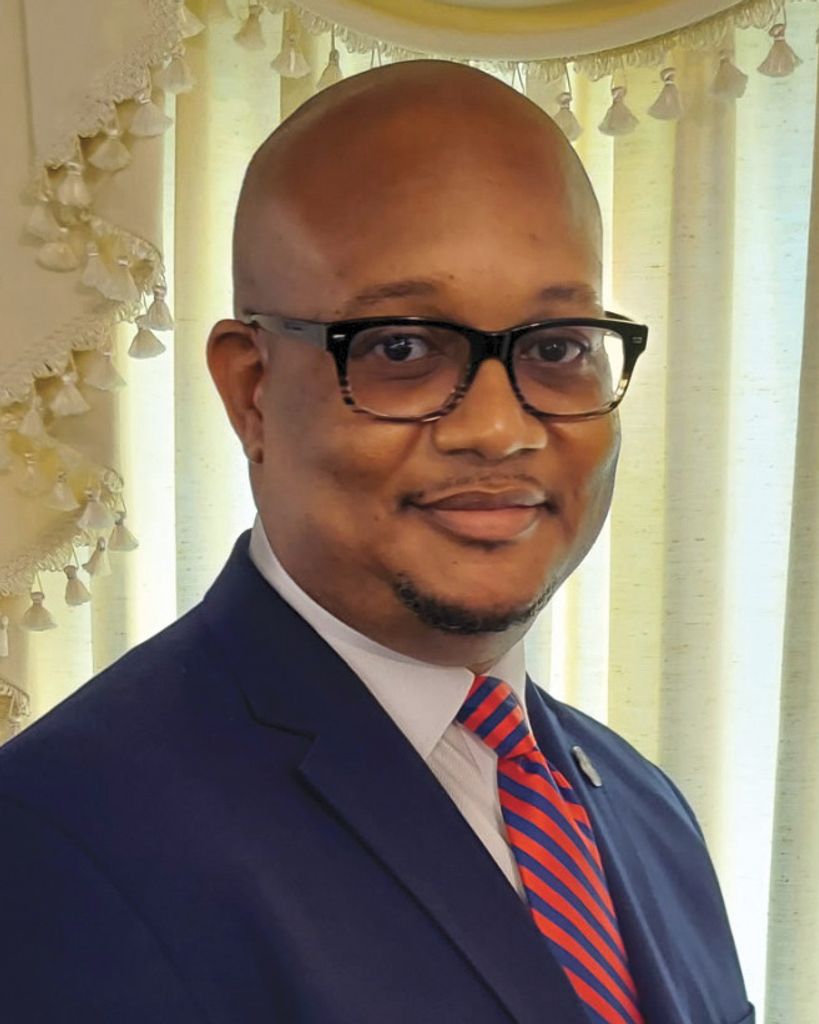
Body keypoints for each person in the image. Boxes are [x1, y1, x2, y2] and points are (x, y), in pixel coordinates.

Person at [0, 60, 753, 1024]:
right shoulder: (68, 839)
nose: (498, 429)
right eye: (402, 347)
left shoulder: (647, 812)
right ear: (253, 392)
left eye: (556, 347)